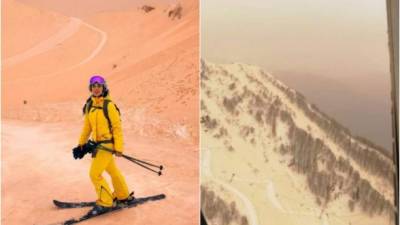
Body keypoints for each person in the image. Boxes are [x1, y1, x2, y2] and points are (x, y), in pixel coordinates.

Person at [75, 75, 133, 215]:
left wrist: (118, 148)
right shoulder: (90, 105)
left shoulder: (109, 105)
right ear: (90, 88)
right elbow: (87, 127)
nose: (96, 89)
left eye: (99, 86)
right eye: (93, 86)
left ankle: (106, 202)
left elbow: (117, 128)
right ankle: (123, 195)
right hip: (97, 146)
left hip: (107, 146)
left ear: (104, 87)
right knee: (113, 171)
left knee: (94, 174)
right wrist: (81, 144)